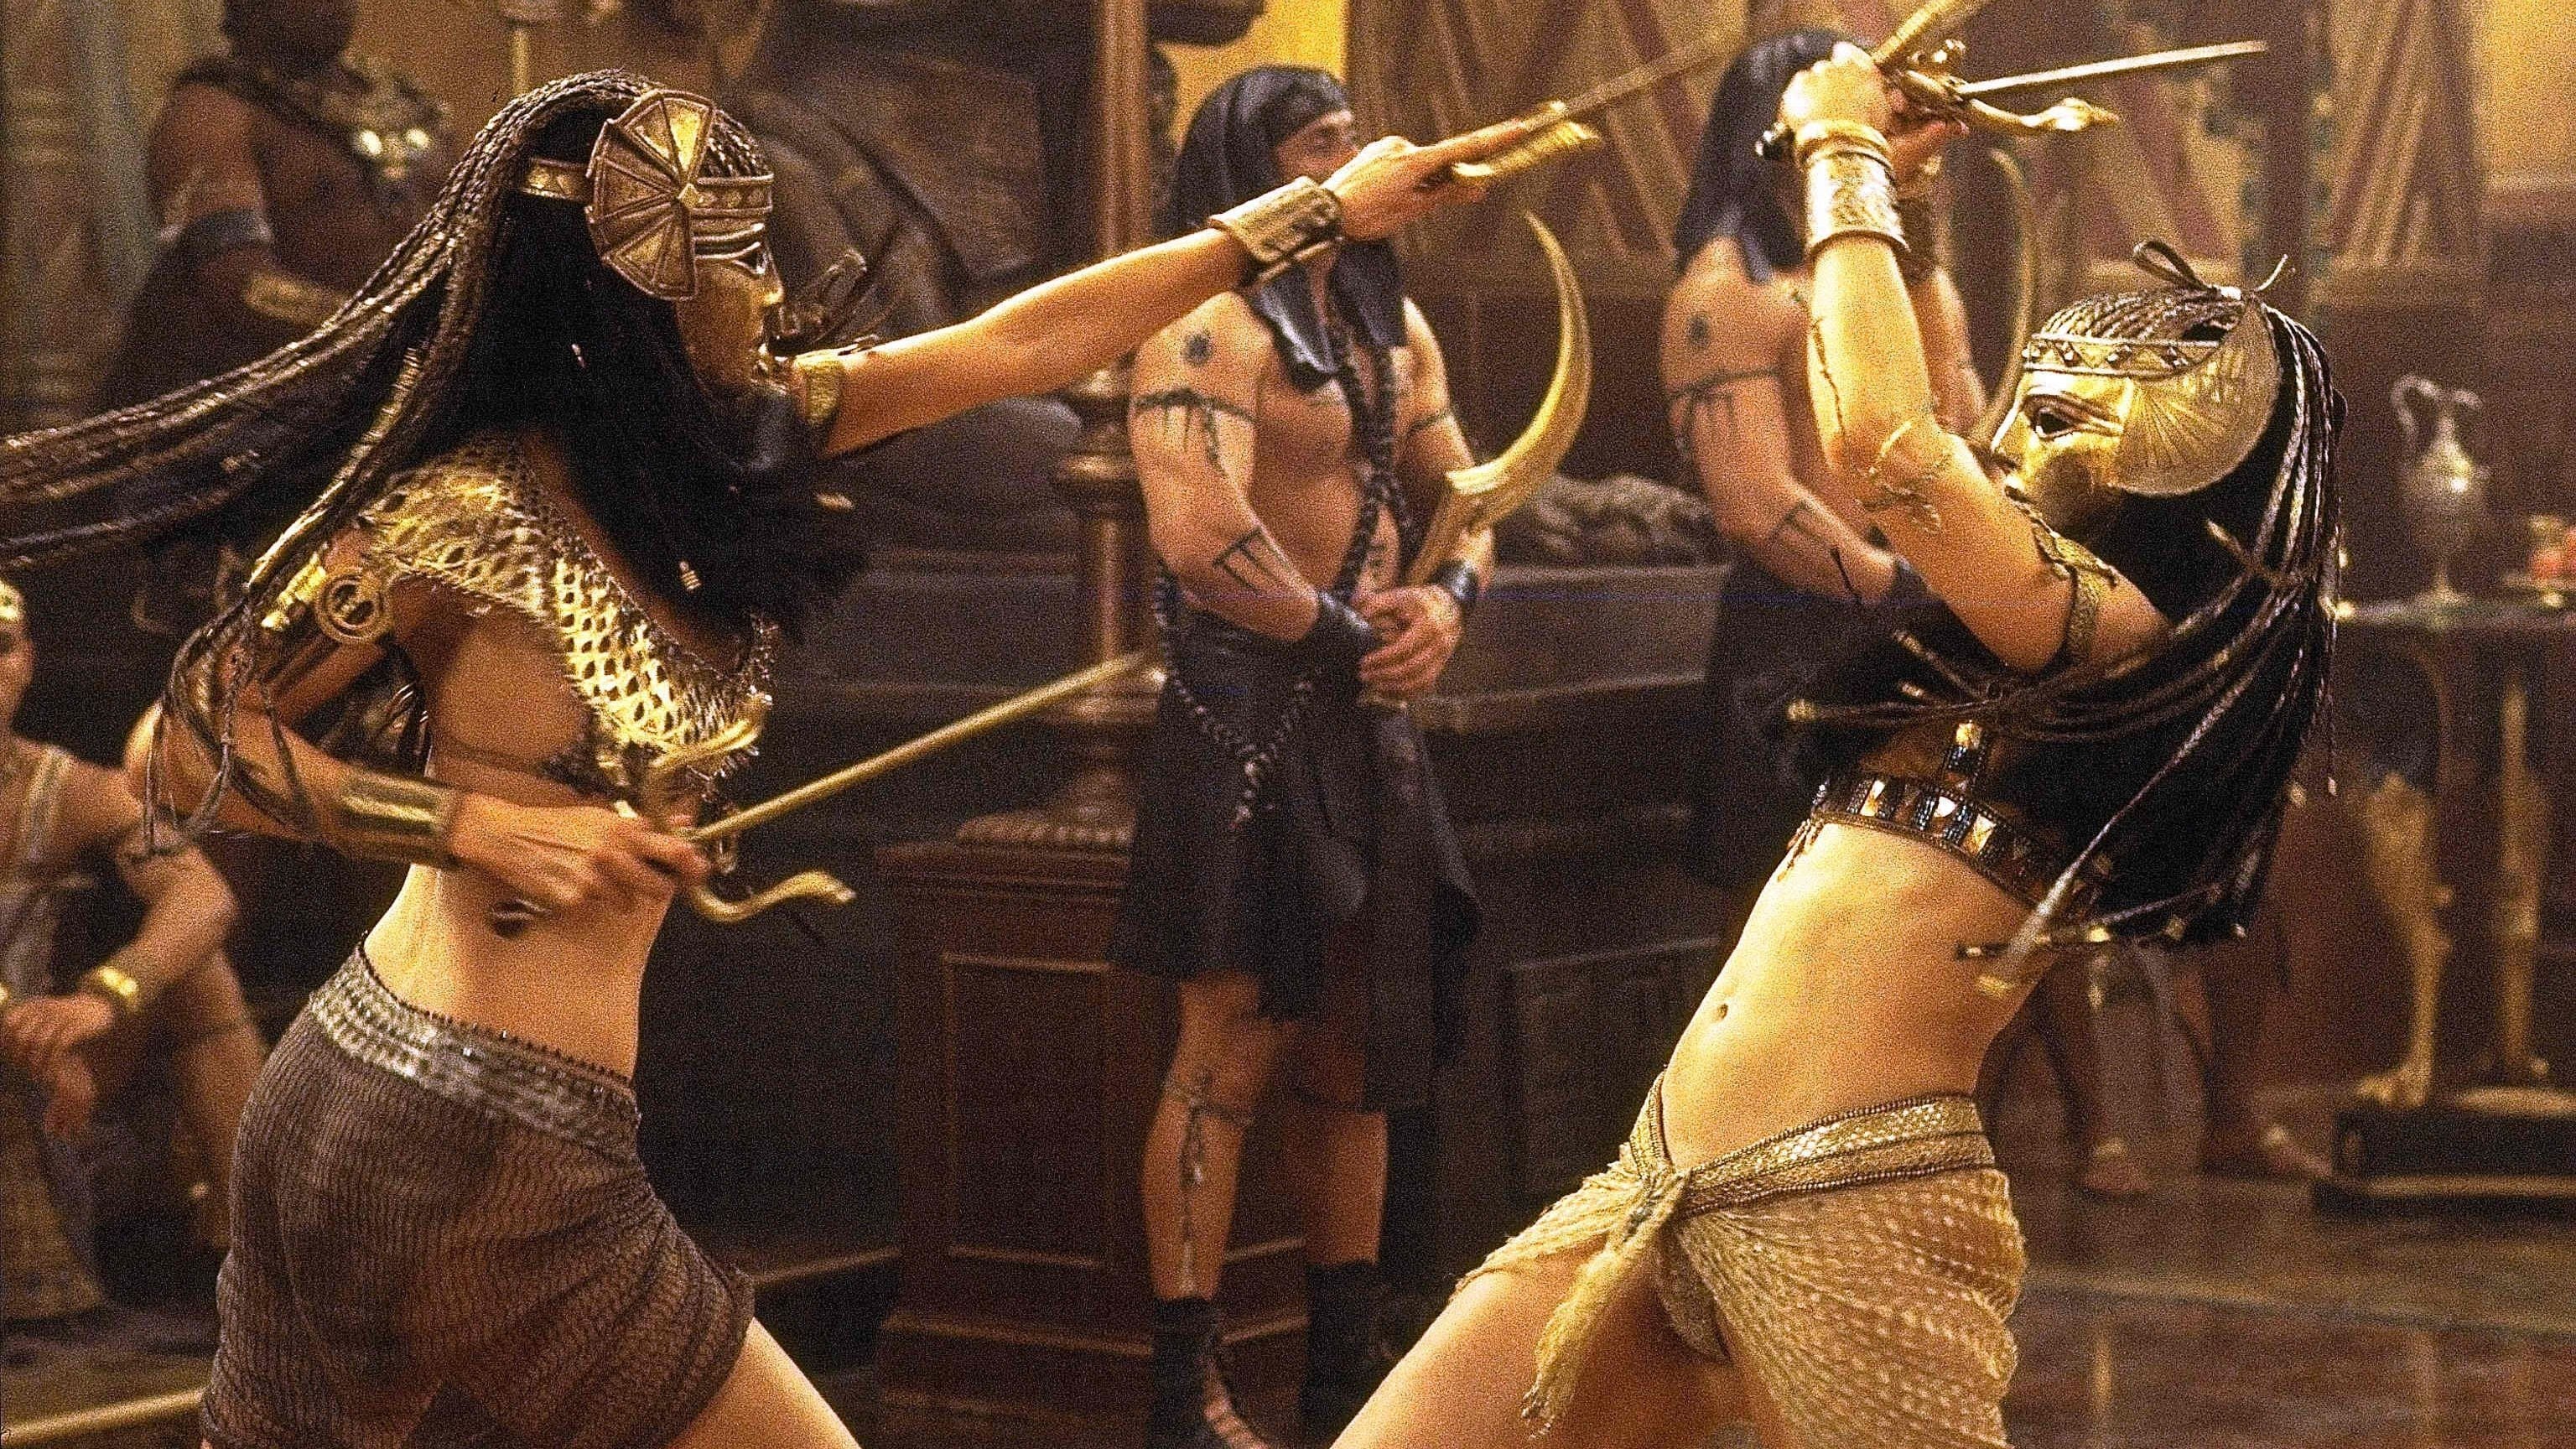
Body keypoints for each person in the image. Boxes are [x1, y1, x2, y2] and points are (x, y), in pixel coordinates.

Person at [0, 70, 1536, 1449]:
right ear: (627, 295)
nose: (768, 285)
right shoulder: (460, 513)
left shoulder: (745, 432)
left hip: (446, 1112)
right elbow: (189, 739)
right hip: (462, 1130)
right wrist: (474, 826)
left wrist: (1314, 212)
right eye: (729, 258)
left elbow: (1024, 341)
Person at [1332, 44, 2340, 1449]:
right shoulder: (2003, 614)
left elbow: (1888, 441)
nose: (2025, 425)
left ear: (2175, 466)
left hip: (1851, 1207)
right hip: (1659, 1183)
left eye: (2072, 408)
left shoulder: (2116, 630)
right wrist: (1876, 192)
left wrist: (1837, 148)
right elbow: (1902, 421)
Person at [1109, 67, 1487, 1449]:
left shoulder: (1391, 325)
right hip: (1250, 704)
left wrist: (1449, 602)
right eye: (1321, 145)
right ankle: (1184, 1392)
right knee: (1226, 1047)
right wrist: (1341, 629)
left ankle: (1344, 1380)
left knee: (1357, 1047)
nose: (1358, 161)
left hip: (1367, 705)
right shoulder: (1203, 324)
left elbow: (1469, 497)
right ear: (1257, 169)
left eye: (1352, 137)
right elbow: (1197, 534)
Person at [0, 575, 257, 1325]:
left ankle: (261, 1255)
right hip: (21, 1041)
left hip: (36, 1046)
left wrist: (103, 999)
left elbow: (203, 894)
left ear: (27, 661)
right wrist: (26, 1035)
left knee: (197, 974)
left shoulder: (66, 786)